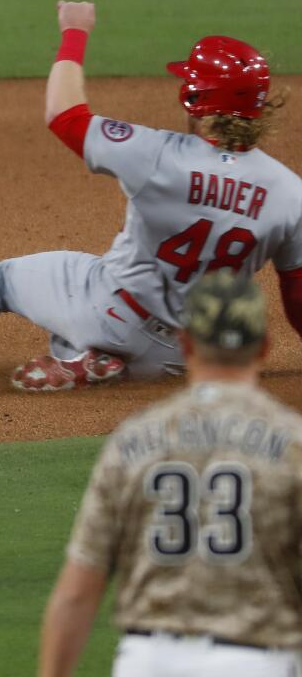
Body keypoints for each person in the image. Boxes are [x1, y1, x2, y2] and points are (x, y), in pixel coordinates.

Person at [0, 0, 302, 391]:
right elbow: (298, 301)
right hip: (181, 359)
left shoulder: (158, 155)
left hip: (108, 311)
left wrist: (75, 31)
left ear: (196, 101)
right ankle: (85, 359)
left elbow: (64, 116)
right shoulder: (289, 192)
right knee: (93, 317)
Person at [39, 270, 302, 676]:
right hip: (253, 660)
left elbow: (77, 593)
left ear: (185, 343)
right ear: (264, 346)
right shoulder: (292, 444)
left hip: (148, 661)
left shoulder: (132, 441)